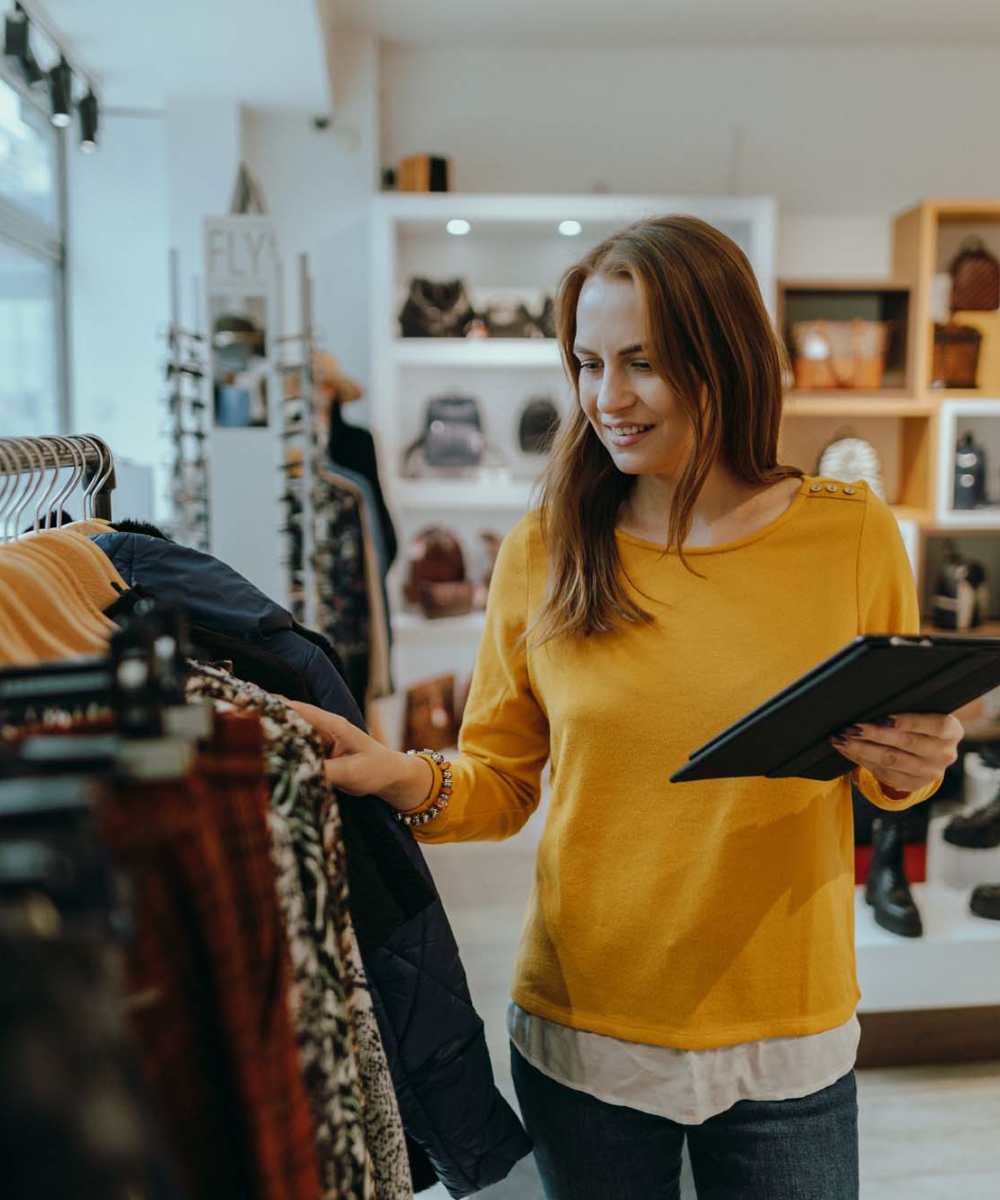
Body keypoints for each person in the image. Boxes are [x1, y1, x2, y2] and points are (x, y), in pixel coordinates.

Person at [289, 216, 962, 1200]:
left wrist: (916, 767)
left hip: (787, 1035)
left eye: (642, 363)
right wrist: (404, 776)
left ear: (722, 358)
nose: (607, 397)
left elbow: (887, 770)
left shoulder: (850, 537)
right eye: (588, 362)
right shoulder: (545, 551)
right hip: (589, 1033)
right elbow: (500, 783)